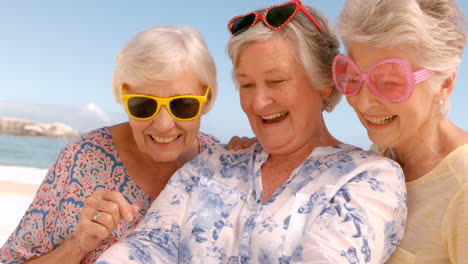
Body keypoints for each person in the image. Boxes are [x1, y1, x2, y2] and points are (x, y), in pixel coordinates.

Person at [96, 1, 407, 263]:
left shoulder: (369, 178)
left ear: (324, 81)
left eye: (276, 81)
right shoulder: (210, 166)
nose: (258, 102)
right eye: (246, 85)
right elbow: (147, 246)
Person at [0, 25, 221, 263]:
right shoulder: (82, 159)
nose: (163, 125)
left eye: (183, 105)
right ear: (123, 98)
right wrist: (78, 245)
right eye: (144, 105)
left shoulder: (225, 168)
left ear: (207, 100)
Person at [333, 0, 468, 263]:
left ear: (445, 84)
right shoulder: (384, 152)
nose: (362, 103)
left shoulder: (462, 188)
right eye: (354, 77)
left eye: (389, 82)